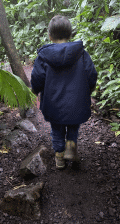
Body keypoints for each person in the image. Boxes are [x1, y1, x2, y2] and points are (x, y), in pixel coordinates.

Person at [31, 15, 97, 169]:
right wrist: (90, 90)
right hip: (77, 101)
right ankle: (71, 146)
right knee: (73, 125)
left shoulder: (44, 56)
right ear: (70, 34)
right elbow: (91, 74)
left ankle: (59, 157)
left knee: (57, 129)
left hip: (53, 103)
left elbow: (37, 77)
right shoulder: (81, 53)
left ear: (50, 35)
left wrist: (34, 91)